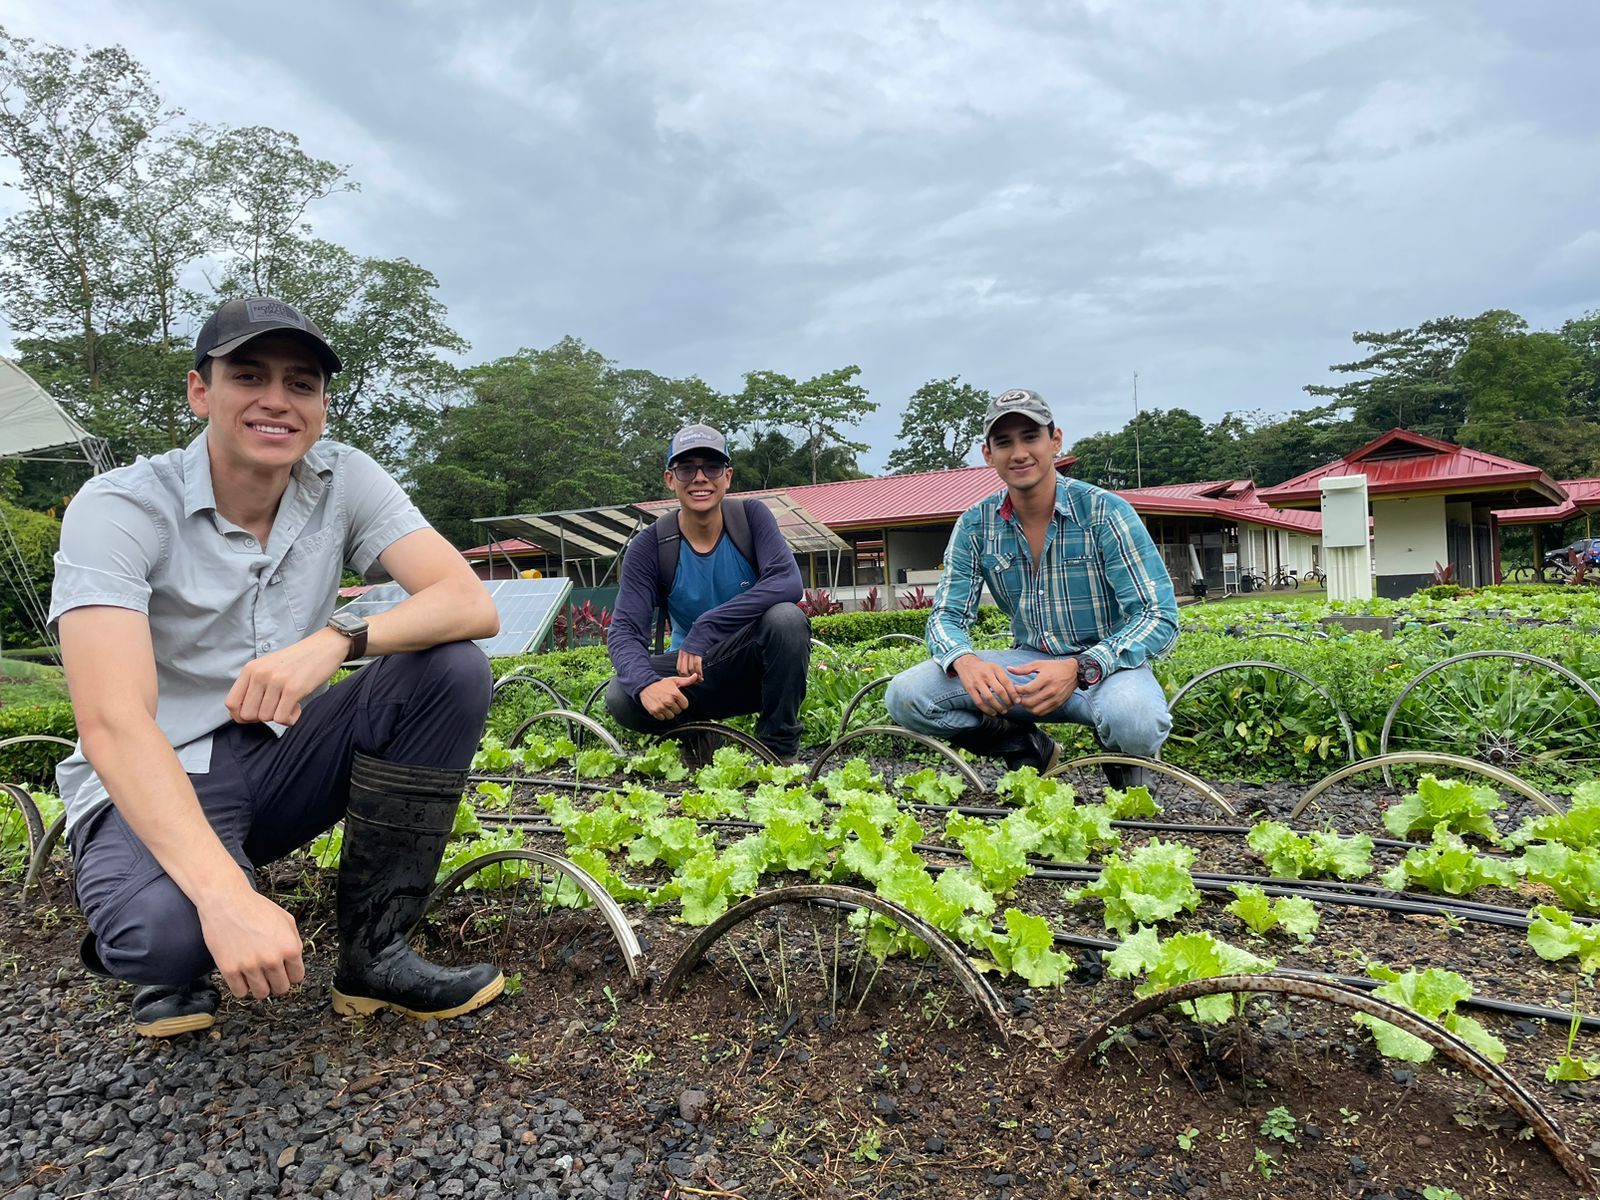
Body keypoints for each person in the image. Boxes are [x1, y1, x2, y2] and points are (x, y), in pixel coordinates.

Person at [50, 296, 505, 1038]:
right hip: (159, 771)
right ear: (201, 390)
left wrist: (338, 639)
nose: (277, 400)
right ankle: (178, 935)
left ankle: (376, 953)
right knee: (164, 937)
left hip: (278, 757)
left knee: (449, 668)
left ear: (323, 405)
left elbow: (467, 602)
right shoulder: (120, 507)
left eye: (301, 383)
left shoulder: (343, 479)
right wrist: (226, 899)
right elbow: (113, 721)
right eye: (248, 376)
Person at [885, 388, 1178, 789]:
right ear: (988, 454)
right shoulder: (977, 523)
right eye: (1004, 442)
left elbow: (1158, 615)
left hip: (1105, 670)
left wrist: (1081, 668)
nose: (1019, 452)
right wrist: (964, 661)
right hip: (1025, 670)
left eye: (1030, 437)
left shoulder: (1104, 512)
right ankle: (1025, 748)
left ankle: (1126, 778)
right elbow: (946, 615)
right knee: (907, 695)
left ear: (1055, 441)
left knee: (1135, 718)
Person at [605, 424, 809, 763]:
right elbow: (625, 631)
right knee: (621, 695)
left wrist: (706, 626)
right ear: (670, 479)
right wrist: (645, 684)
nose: (700, 477)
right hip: (692, 680)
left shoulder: (751, 518)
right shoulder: (650, 547)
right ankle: (697, 733)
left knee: (787, 619)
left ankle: (778, 752)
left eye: (711, 467)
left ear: (727, 476)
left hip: (755, 669)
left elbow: (787, 582)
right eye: (687, 468)